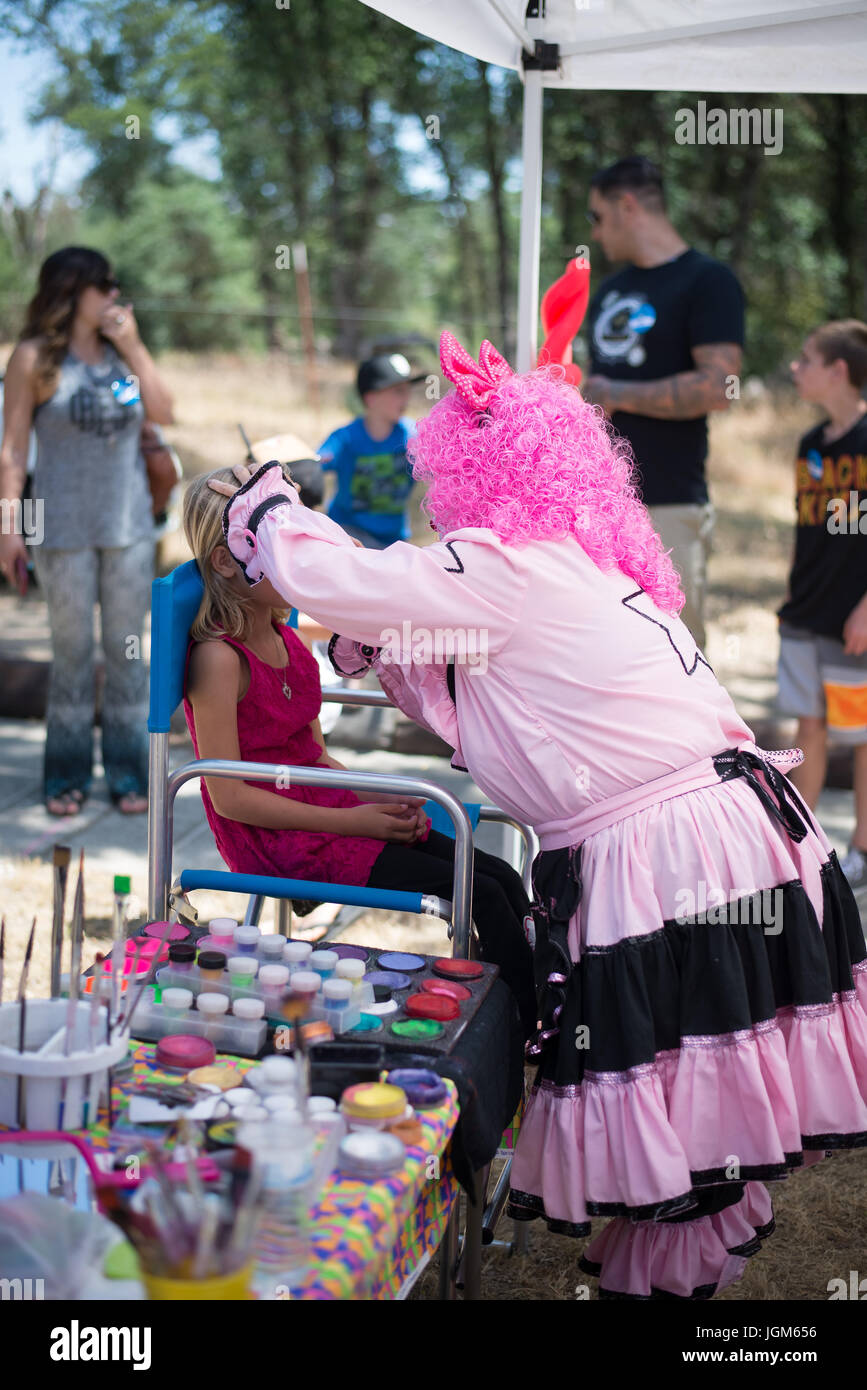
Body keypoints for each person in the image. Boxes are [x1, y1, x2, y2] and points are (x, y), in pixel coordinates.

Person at [211, 331, 867, 1300]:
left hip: (676, 855)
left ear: (462, 467)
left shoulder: (505, 567)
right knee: (700, 1112)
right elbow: (480, 673)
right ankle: (667, 1279)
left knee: (685, 1108)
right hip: (732, 843)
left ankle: (667, 1286)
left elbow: (354, 583)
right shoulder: (574, 564)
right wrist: (373, 633)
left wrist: (267, 504)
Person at [181, 468, 536, 1032]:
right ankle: (521, 1036)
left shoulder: (288, 638)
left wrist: (374, 796)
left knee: (499, 875)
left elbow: (314, 757)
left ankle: (540, 1005)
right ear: (229, 562)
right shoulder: (219, 659)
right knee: (482, 895)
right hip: (277, 840)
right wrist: (357, 822)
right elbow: (229, 797)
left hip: (326, 811)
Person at [0, 246, 174, 815]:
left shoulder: (121, 358)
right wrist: (10, 528)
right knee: (72, 655)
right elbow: (13, 450)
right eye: (105, 285)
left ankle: (129, 776)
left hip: (128, 530)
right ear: (72, 291)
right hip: (59, 530)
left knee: (127, 654)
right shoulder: (33, 358)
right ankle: (64, 777)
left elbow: (165, 413)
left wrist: (135, 346)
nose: (114, 296)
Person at [582, 156, 745, 652]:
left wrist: (611, 394)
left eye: (597, 216)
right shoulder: (610, 290)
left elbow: (721, 386)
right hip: (597, 503)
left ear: (627, 206)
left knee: (677, 652)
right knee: (606, 651)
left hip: (668, 503)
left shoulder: (707, 280)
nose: (595, 231)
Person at [778, 320, 867, 887]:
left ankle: (861, 849)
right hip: (804, 614)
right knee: (808, 725)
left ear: (838, 370)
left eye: (806, 359)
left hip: (851, 621)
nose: (796, 367)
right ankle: (803, 847)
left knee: (859, 735)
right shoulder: (810, 444)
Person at [317, 353, 424, 549]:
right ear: (371, 398)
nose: (406, 398)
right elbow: (315, 464)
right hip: (348, 537)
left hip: (395, 541)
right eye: (398, 391)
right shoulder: (345, 439)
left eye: (407, 391)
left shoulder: (413, 437)